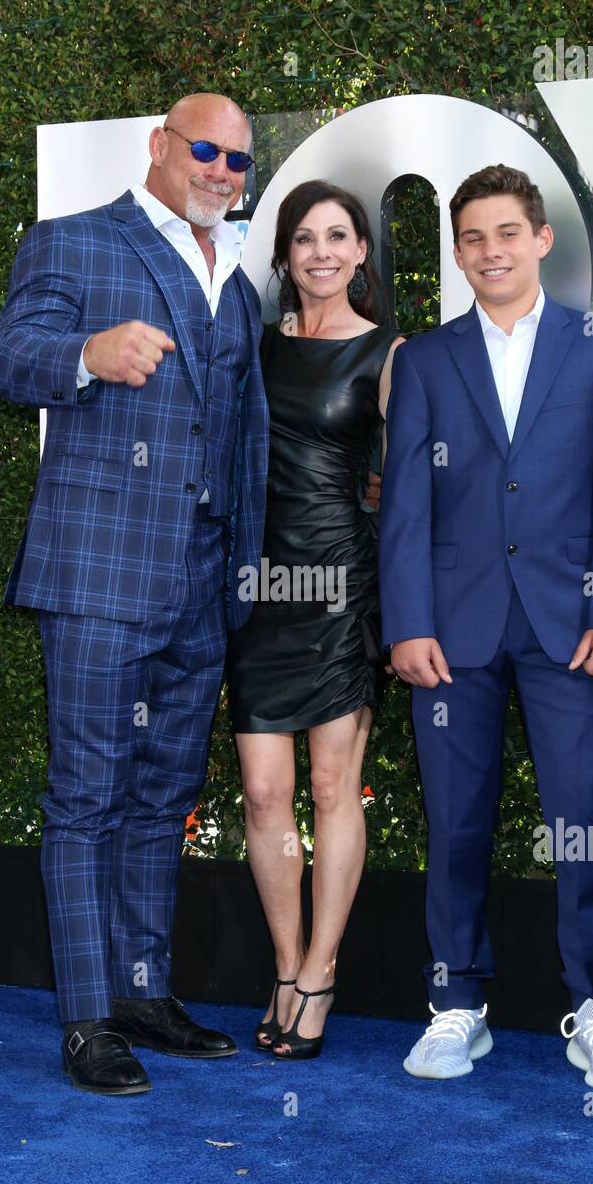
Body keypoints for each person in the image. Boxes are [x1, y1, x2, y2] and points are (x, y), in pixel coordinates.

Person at [0, 93, 270, 1095]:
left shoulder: (231, 275)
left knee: (161, 799)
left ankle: (144, 992)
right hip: (102, 576)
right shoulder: (73, 243)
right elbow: (10, 360)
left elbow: (243, 432)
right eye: (205, 150)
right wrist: (85, 356)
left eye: (238, 160)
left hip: (199, 586)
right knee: (87, 799)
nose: (221, 172)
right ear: (159, 147)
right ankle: (86, 1019)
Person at [379, 163, 593, 1094]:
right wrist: (408, 621)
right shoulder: (423, 360)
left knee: (582, 817)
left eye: (506, 233)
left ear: (541, 239)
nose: (489, 251)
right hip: (451, 633)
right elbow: (406, 505)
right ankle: (457, 1001)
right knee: (455, 822)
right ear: (456, 253)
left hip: (569, 626)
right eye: (472, 238)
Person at [225, 180, 404, 1060]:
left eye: (339, 236)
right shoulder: (253, 349)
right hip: (260, 588)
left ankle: (322, 972)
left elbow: (415, 490)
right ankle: (285, 964)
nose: (322, 252)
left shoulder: (390, 355)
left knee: (334, 788)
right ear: (285, 256)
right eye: (305, 239)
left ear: (362, 252)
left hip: (338, 589)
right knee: (264, 792)